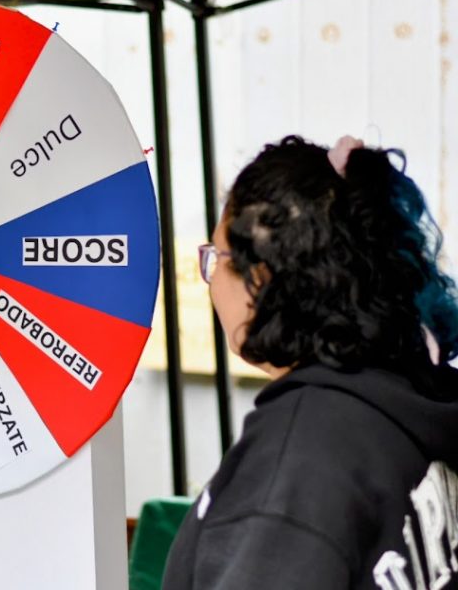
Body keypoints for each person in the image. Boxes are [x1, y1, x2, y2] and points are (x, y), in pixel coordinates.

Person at [162, 135, 458, 590]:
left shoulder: (299, 456)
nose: (211, 279)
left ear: (260, 276)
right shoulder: (409, 403)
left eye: (216, 257)